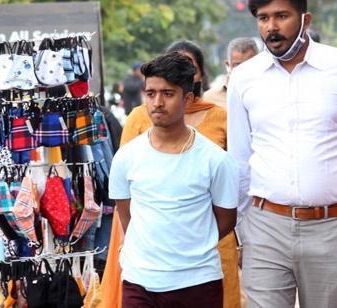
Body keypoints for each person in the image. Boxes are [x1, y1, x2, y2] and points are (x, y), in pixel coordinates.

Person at [227, 0, 337, 308]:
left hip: (331, 227)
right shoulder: (244, 78)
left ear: (305, 19)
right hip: (265, 226)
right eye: (263, 18)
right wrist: (243, 226)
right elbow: (240, 156)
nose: (272, 27)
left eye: (281, 16)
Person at [101, 41, 241, 308]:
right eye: (150, 93)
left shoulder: (215, 160)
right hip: (139, 282)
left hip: (198, 282)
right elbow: (127, 216)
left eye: (168, 93)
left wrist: (187, 246)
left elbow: (226, 221)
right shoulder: (127, 158)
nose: (157, 102)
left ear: (187, 99)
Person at [204, 37, 259, 108]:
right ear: (228, 65)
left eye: (249, 64)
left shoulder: (270, 92)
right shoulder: (209, 99)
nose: (244, 69)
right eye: (238, 65)